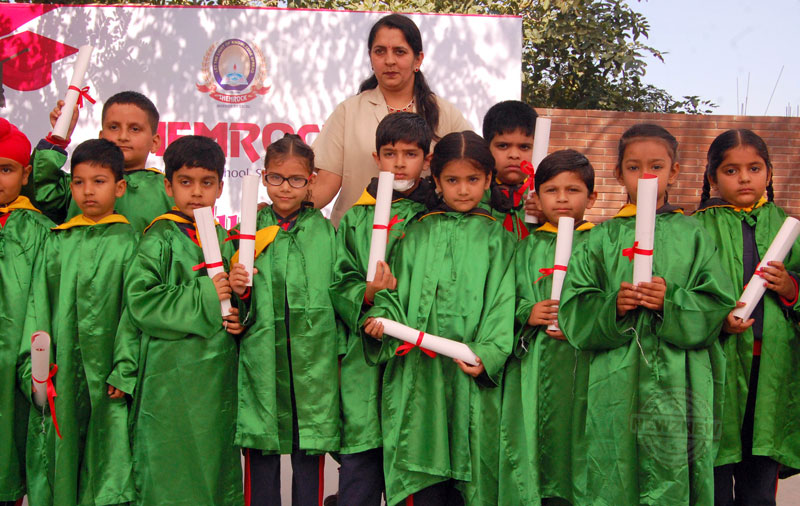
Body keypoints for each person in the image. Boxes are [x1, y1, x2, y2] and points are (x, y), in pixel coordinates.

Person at [558, 124, 735, 505]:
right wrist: (613, 306)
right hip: (614, 377)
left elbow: (717, 302)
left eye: (656, 166)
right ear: (618, 174)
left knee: (672, 467)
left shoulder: (693, 234)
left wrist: (671, 301)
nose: (646, 176)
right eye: (634, 167)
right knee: (612, 469)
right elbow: (574, 307)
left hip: (679, 373)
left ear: (674, 171)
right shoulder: (600, 238)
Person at [362, 131, 515, 506]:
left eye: (473, 179)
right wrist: (382, 319)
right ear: (437, 181)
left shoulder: (499, 238)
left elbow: (504, 302)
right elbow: (395, 291)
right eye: (452, 180)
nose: (463, 189)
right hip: (420, 372)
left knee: (471, 471)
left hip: (470, 373)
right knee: (421, 467)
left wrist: (489, 353)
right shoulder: (415, 233)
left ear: (488, 179)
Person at [124, 135, 243, 505]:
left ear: (220, 188)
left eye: (207, 183)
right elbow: (141, 300)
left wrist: (239, 315)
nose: (196, 192)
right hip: (169, 374)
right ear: (168, 186)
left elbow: (235, 300)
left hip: (216, 374)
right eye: (185, 182)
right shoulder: (159, 237)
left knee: (213, 463)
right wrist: (207, 294)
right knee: (168, 463)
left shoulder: (225, 238)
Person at [21, 139, 136, 506]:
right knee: (62, 453)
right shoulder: (57, 242)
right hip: (62, 370)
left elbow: (134, 313)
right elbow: (38, 306)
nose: (88, 191)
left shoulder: (131, 243)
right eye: (79, 182)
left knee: (110, 460)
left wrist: (125, 368)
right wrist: (36, 370)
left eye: (99, 182)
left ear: (119, 187)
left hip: (109, 374)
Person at [331, 112, 436, 506]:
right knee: (361, 466)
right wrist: (368, 294)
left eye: (410, 154)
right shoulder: (357, 218)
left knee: (412, 460)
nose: (399, 163)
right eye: (390, 153)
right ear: (376, 158)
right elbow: (340, 279)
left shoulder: (436, 218)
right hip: (365, 356)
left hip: (416, 357)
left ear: (427, 160)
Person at [229, 134, 340, 506]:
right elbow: (235, 300)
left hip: (311, 365)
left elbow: (337, 293)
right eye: (276, 177)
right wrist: (240, 295)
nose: (285, 187)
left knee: (309, 453)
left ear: (311, 181)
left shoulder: (324, 232)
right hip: (262, 360)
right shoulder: (248, 229)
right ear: (263, 177)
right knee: (261, 452)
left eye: (296, 179)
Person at [693, 129, 800, 505]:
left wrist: (790, 287)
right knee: (713, 472)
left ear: (769, 173)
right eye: (731, 170)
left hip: (770, 370)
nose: (744, 178)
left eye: (754, 168)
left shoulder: (786, 228)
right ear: (712, 177)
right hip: (715, 366)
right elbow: (684, 292)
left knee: (760, 479)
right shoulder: (697, 228)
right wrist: (716, 319)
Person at [499, 149, 597, 505]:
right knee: (534, 444)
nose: (562, 199)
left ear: (592, 197)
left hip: (584, 364)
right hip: (534, 362)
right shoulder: (524, 247)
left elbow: (609, 300)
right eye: (552, 190)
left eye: (573, 190)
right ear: (537, 199)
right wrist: (527, 311)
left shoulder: (601, 244)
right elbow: (504, 298)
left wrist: (581, 320)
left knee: (580, 445)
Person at [312, 13, 472, 226]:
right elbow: (325, 184)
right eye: (380, 51)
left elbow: (472, 173)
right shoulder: (348, 112)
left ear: (418, 59)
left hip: (424, 237)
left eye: (399, 52)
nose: (389, 60)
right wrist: (280, 214)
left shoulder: (445, 114)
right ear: (370, 57)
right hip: (356, 238)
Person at [0, 119, 53, 506]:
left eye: (6, 169)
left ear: (26, 173)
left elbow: (42, 304)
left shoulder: (40, 230)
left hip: (13, 367)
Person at [30, 90, 173, 232]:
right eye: (114, 127)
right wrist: (57, 138)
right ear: (101, 137)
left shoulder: (168, 190)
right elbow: (40, 193)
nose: (123, 136)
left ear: (155, 142)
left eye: (135, 129)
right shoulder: (78, 185)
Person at [479, 100, 539, 239]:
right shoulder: (474, 195)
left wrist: (548, 216)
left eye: (524, 147)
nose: (514, 155)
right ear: (487, 147)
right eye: (503, 146)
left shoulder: (544, 196)